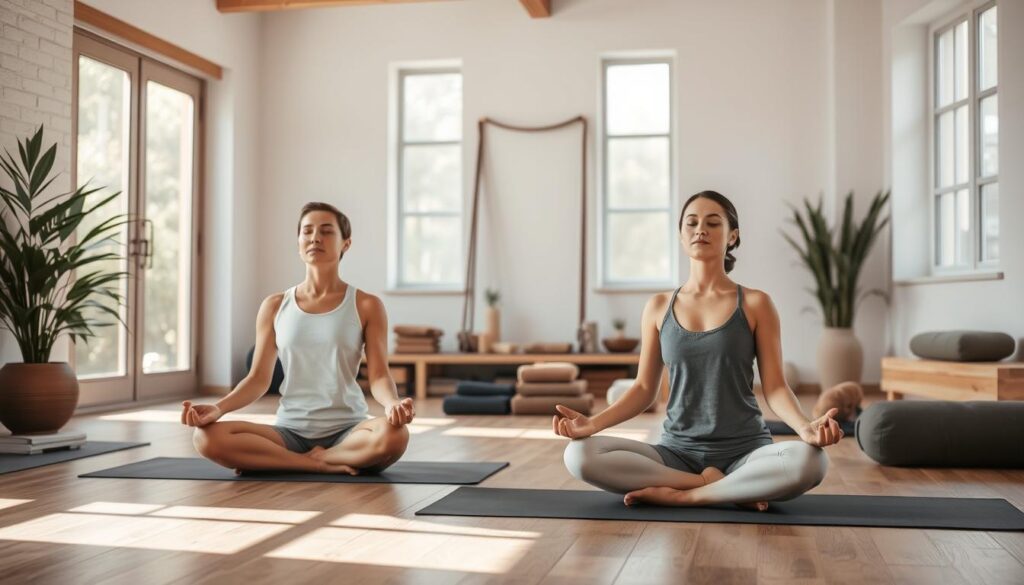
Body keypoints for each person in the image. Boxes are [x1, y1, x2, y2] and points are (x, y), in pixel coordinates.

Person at [554, 190, 842, 509]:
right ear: (681, 235)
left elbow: (774, 388)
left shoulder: (757, 303)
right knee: (578, 454)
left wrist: (805, 427)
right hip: (675, 454)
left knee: (811, 461)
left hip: (746, 452)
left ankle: (686, 496)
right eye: (691, 222)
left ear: (733, 236)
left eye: (712, 222)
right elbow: (644, 388)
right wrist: (591, 424)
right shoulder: (658, 306)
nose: (700, 229)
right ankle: (715, 487)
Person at [182, 201, 414, 475]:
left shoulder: (367, 305)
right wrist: (218, 409)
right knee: (206, 437)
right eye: (307, 231)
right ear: (298, 242)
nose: (315, 237)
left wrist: (392, 405)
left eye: (326, 231)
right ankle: (317, 463)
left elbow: (378, 376)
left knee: (395, 436)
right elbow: (258, 379)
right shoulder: (274, 305)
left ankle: (305, 459)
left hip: (349, 430)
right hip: (288, 432)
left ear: (345, 244)